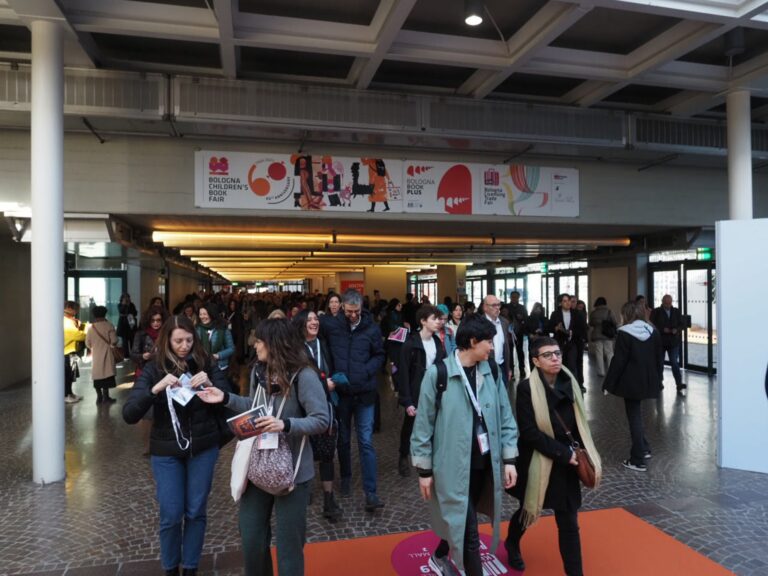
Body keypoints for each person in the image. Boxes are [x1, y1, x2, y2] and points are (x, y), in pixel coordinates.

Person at [197, 318, 328, 576]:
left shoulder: (304, 375)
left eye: (259, 341)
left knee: (289, 547)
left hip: (293, 472)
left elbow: (322, 419)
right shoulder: (259, 371)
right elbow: (254, 406)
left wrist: (285, 424)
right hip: (257, 467)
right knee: (251, 537)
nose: (254, 345)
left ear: (274, 343)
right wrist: (224, 397)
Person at [122, 315, 231, 576]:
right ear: (167, 341)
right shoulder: (154, 369)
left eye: (189, 340)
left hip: (203, 448)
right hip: (166, 452)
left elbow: (229, 401)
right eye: (178, 341)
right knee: (171, 514)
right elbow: (129, 414)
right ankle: (170, 568)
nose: (184, 346)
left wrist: (210, 385)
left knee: (195, 511)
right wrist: (155, 390)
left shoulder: (205, 364)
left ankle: (190, 567)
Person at [410, 314, 519, 575]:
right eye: (488, 341)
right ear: (472, 341)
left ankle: (439, 554)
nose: (492, 346)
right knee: (470, 532)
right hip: (452, 467)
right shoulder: (438, 374)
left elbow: (505, 415)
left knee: (460, 516)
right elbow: (423, 426)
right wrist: (424, 471)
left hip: (484, 464)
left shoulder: (491, 371)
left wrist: (509, 459)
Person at [505, 337, 602, 576]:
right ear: (536, 361)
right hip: (538, 458)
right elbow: (529, 432)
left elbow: (579, 423)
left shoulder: (571, 382)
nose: (555, 358)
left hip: (567, 463)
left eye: (557, 353)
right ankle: (512, 543)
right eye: (547, 355)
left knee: (568, 521)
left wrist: (584, 451)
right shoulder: (526, 388)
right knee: (529, 509)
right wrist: (563, 453)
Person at [321, 288, 386, 510]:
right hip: (342, 394)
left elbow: (380, 355)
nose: (353, 315)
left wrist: (365, 371)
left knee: (366, 441)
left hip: (365, 393)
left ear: (361, 307)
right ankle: (346, 477)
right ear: (342, 307)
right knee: (343, 439)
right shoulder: (332, 326)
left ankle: (371, 492)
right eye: (349, 311)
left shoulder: (371, 328)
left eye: (356, 311)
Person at [292, 309, 343, 523]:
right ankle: (304, 489)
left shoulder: (323, 344)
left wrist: (334, 380)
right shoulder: (295, 349)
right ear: (301, 324)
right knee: (303, 449)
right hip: (302, 409)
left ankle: (329, 499)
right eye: (309, 319)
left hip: (324, 406)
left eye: (316, 319)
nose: (314, 322)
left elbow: (330, 368)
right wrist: (323, 384)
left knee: (327, 452)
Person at [603, 301, 664, 472]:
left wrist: (608, 384)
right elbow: (659, 358)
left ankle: (637, 460)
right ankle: (644, 448)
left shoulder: (624, 333)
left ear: (626, 314)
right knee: (637, 417)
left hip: (630, 382)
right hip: (648, 380)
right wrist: (658, 380)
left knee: (634, 418)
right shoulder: (652, 331)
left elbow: (619, 361)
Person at [397, 305, 446, 478]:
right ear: (423, 321)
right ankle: (403, 455)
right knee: (410, 425)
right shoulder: (411, 344)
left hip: (434, 391)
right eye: (434, 319)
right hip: (416, 392)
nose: (438, 322)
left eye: (439, 319)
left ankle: (431, 458)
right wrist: (407, 401)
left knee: (435, 424)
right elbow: (403, 374)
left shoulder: (437, 342)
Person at [549, 294, 588, 392]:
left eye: (569, 301)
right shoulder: (555, 314)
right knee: (560, 364)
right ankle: (560, 385)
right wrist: (555, 328)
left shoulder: (577, 314)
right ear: (560, 303)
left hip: (573, 343)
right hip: (559, 343)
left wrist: (571, 332)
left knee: (572, 364)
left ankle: (574, 386)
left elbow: (583, 328)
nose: (568, 303)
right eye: (565, 301)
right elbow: (549, 327)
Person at [650, 294, 686, 394]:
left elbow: (682, 324)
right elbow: (651, 325)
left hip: (673, 342)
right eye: (666, 303)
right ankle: (659, 382)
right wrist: (662, 329)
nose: (668, 305)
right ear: (662, 302)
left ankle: (679, 383)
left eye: (669, 303)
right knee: (660, 363)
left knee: (674, 362)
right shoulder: (656, 311)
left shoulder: (676, 311)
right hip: (660, 342)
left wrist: (677, 329)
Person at [85, 305, 119, 404]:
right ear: (105, 314)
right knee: (107, 375)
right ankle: (106, 397)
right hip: (108, 354)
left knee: (98, 376)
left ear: (94, 315)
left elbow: (87, 343)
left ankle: (99, 397)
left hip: (96, 355)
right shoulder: (109, 325)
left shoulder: (91, 328)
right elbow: (114, 340)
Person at [196, 304, 236, 379]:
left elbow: (231, 348)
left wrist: (218, 356)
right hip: (202, 367)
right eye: (200, 314)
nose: (202, 317)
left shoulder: (222, 328)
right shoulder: (197, 329)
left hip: (220, 367)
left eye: (205, 314)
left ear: (212, 314)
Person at [482, 294, 512, 386]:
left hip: (502, 366)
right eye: (494, 305)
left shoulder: (504, 322)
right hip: (485, 367)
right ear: (485, 307)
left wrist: (508, 368)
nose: (497, 308)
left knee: (503, 393)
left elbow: (507, 347)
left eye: (499, 305)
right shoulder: (479, 323)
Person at [588, 297, 617, 378]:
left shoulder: (593, 313)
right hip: (608, 335)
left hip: (597, 335)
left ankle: (601, 372)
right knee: (609, 353)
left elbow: (591, 323)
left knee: (599, 353)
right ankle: (611, 371)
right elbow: (614, 322)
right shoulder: (609, 311)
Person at [64, 301, 86, 404]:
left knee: (71, 374)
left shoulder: (69, 320)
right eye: (75, 309)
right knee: (67, 375)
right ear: (69, 308)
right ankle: (66, 395)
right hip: (67, 351)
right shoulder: (66, 321)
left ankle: (70, 393)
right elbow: (76, 335)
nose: (76, 311)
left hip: (70, 351)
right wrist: (86, 333)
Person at [508, 291, 529, 379]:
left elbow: (526, 319)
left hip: (519, 332)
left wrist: (522, 318)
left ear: (518, 298)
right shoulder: (506, 307)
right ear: (510, 297)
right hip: (508, 334)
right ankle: (511, 370)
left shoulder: (522, 307)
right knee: (509, 352)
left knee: (520, 351)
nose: (514, 298)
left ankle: (522, 369)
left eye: (516, 297)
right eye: (513, 297)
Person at [117, 293, 138, 358]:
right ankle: (126, 356)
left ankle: (133, 354)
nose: (126, 299)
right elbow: (121, 311)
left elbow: (135, 313)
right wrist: (124, 304)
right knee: (125, 341)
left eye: (128, 297)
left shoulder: (131, 305)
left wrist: (129, 306)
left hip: (131, 324)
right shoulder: (120, 305)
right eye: (125, 298)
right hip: (123, 324)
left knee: (132, 340)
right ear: (122, 299)